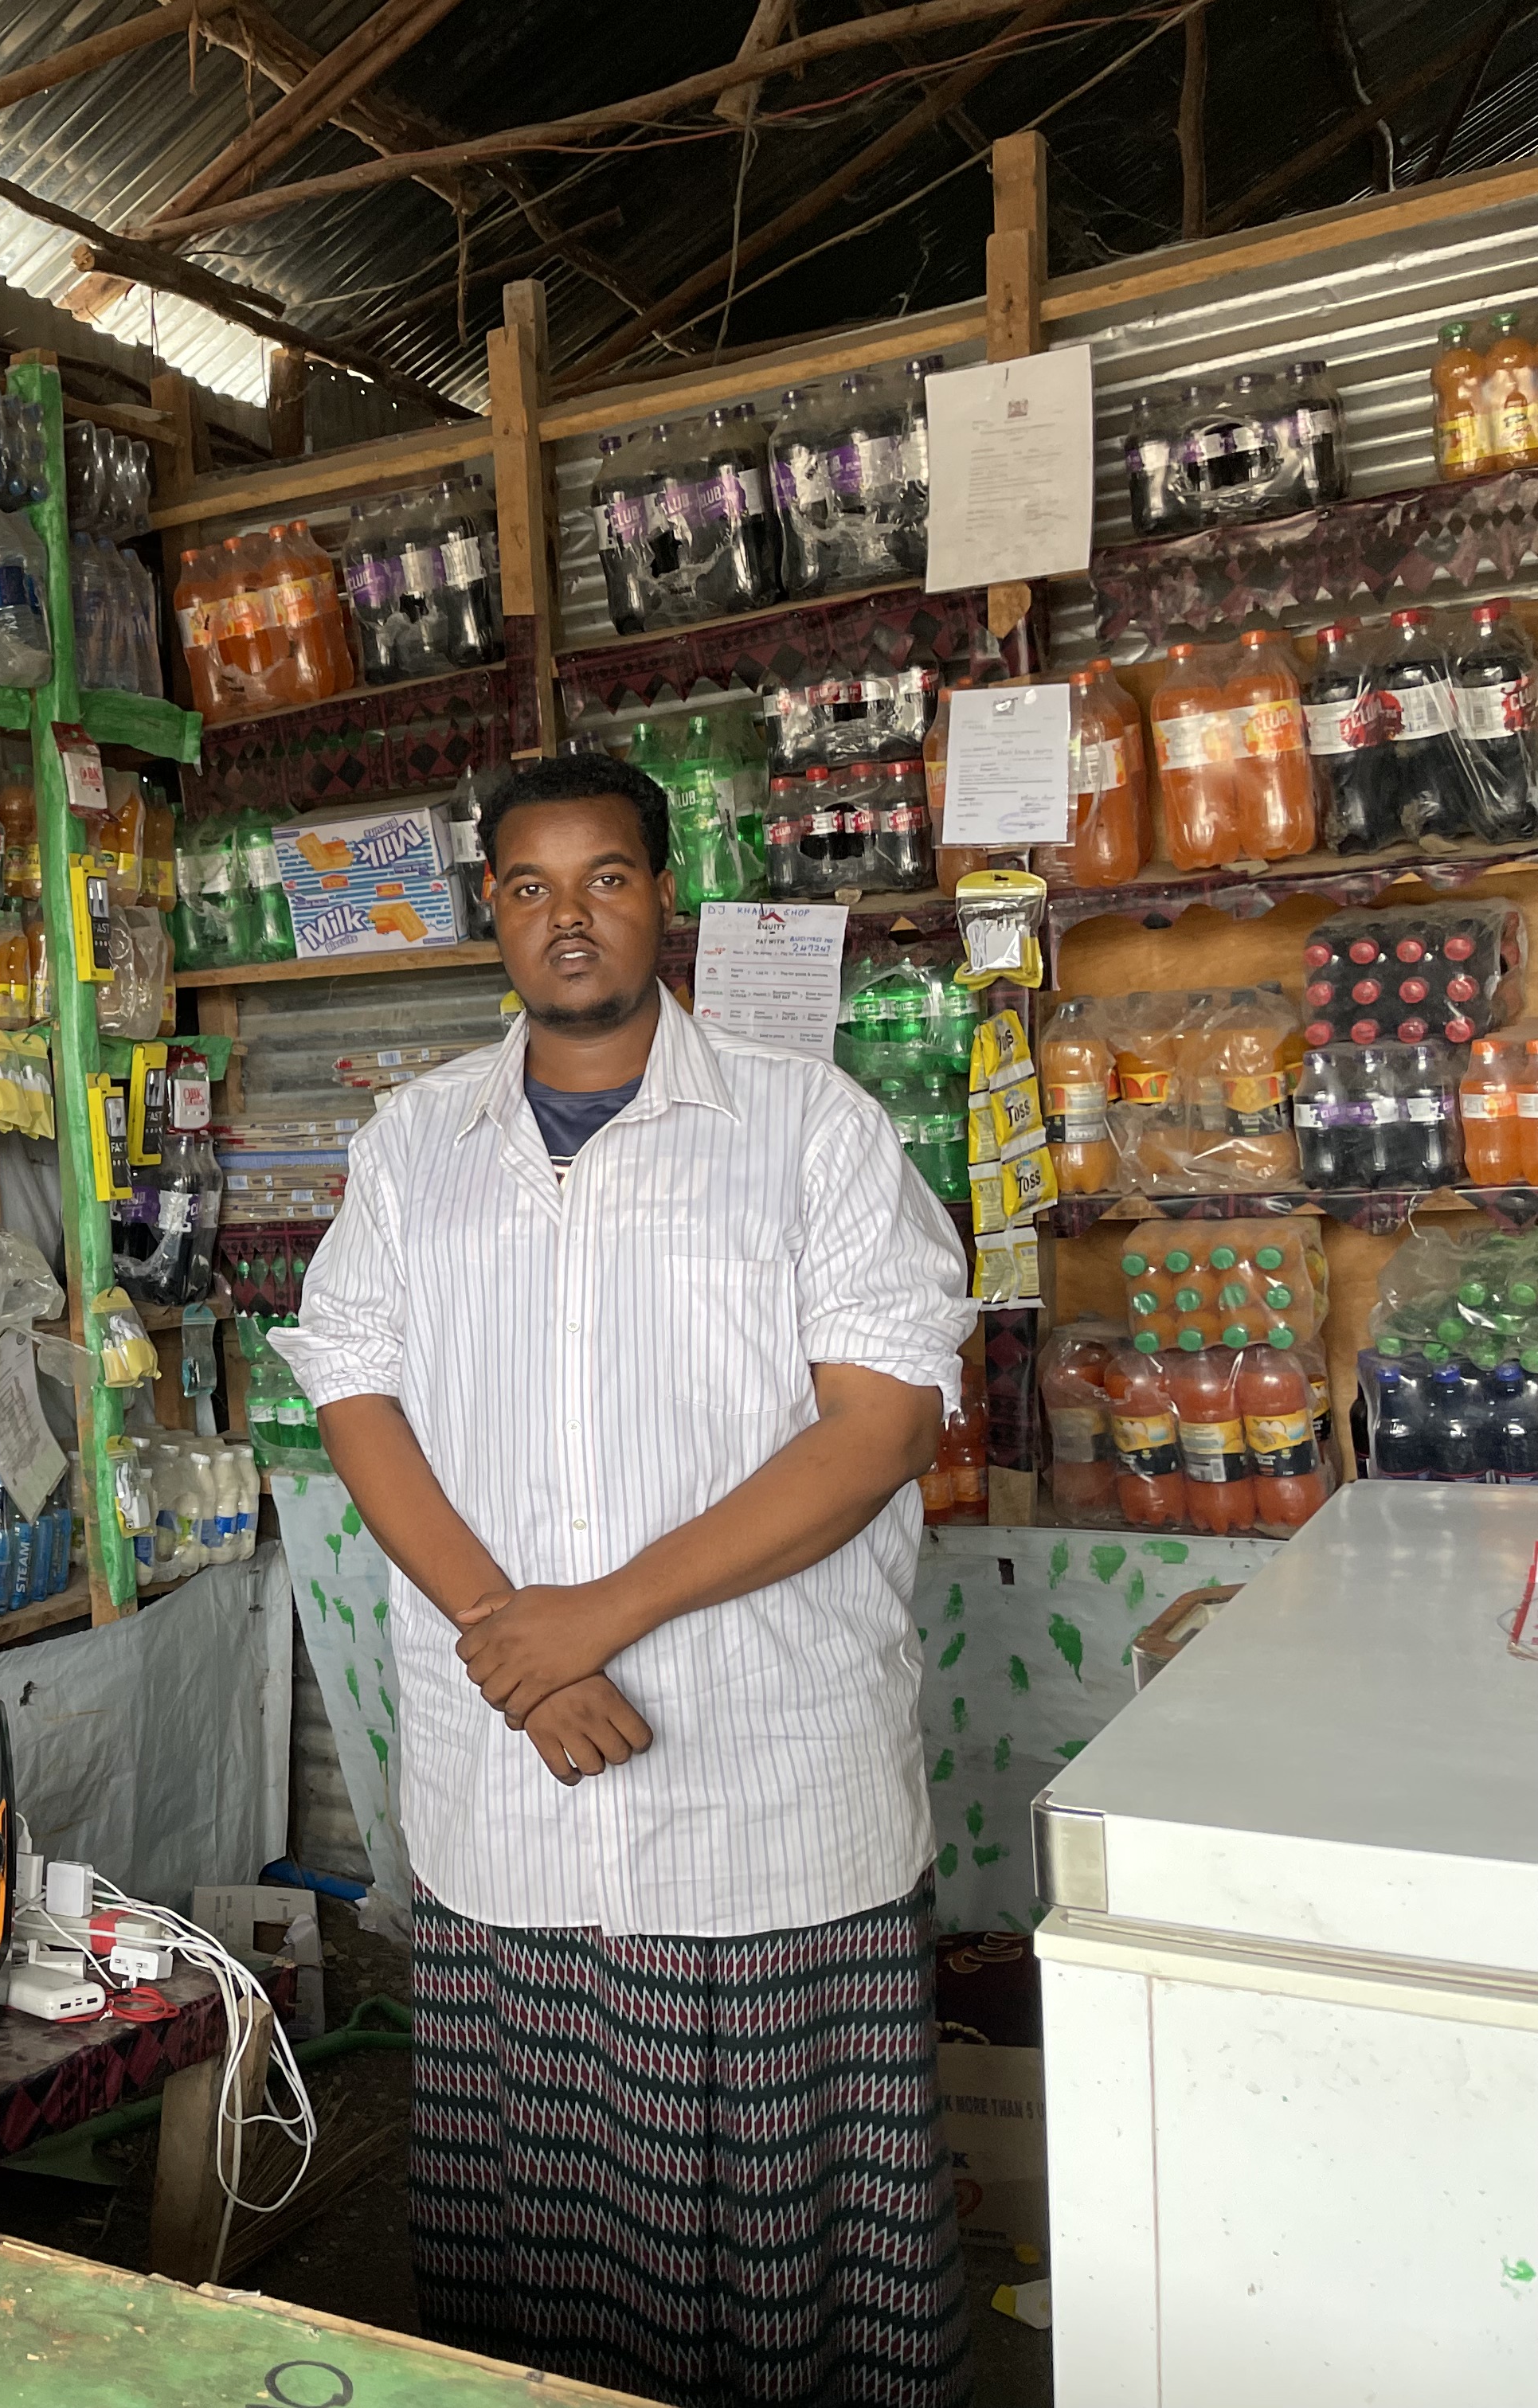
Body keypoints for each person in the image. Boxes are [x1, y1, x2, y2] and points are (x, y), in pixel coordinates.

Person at [271, 753, 976, 2408]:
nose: (566, 918)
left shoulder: (814, 1129)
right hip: (517, 1757)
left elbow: (877, 1428)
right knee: (553, 2222)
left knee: (814, 2245)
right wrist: (516, 1645)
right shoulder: (415, 1141)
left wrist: (603, 1615)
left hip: (765, 1772)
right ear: (491, 919)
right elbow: (355, 1394)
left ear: (665, 897)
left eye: (603, 879)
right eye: (528, 887)